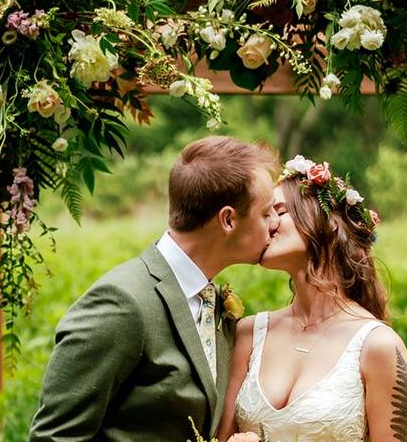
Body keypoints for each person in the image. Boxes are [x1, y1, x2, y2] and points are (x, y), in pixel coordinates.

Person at [29, 136, 281, 442]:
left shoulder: (214, 304)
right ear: (227, 219)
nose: (275, 223)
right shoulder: (122, 303)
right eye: (266, 213)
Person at [218, 155, 407, 442]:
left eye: (279, 211)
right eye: (263, 214)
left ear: (322, 218)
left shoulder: (378, 347)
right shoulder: (249, 334)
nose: (267, 224)